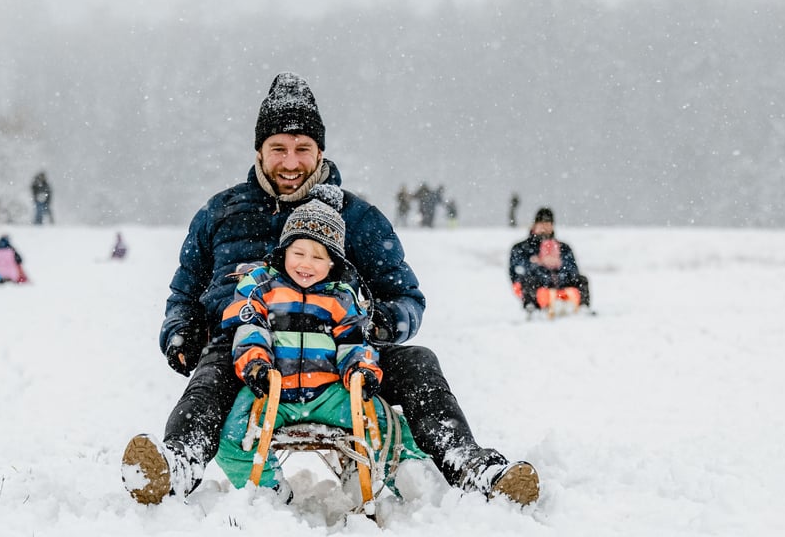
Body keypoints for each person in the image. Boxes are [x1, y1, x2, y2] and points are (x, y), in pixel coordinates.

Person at [121, 72, 539, 507]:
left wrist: (374, 326)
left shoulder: (356, 217)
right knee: (207, 384)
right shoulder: (222, 212)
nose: (290, 161)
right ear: (259, 151)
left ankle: (472, 467)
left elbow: (408, 299)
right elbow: (184, 293)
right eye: (278, 148)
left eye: (303, 149)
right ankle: (176, 464)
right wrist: (181, 331)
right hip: (246, 348)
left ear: (320, 151)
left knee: (419, 363)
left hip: (339, 351)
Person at [211, 185, 426, 496]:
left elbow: (355, 341)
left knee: (384, 421)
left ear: (332, 263)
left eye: (318, 257)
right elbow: (249, 328)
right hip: (274, 390)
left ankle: (409, 475)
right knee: (233, 431)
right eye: (298, 253)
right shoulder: (261, 287)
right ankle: (266, 489)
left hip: (329, 393)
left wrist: (361, 370)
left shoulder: (339, 296)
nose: (306, 264)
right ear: (284, 252)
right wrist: (255, 364)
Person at [509, 207, 590, 314]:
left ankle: (582, 309)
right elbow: (518, 272)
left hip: (560, 286)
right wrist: (539, 264)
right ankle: (533, 309)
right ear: (534, 225)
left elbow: (573, 270)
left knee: (581, 280)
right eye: (541, 224)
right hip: (537, 288)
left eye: (548, 224)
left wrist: (558, 266)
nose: (544, 228)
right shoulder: (521, 248)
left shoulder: (563, 248)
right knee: (528, 282)